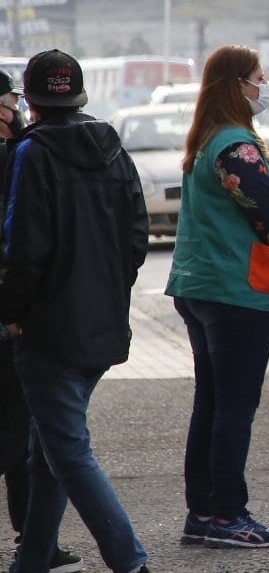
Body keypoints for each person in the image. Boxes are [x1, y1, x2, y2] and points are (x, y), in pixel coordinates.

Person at [0, 50, 149, 573]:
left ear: (32, 104)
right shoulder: (114, 148)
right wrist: (109, 295)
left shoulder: (29, 154)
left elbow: (23, 245)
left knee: (68, 453)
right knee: (49, 448)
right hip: (102, 329)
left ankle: (130, 561)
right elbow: (137, 238)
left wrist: (11, 310)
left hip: (47, 330)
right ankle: (34, 558)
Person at [163, 45, 269, 550]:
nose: (264, 86)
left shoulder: (208, 138)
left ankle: (203, 513)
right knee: (235, 407)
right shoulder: (237, 147)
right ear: (238, 85)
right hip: (235, 291)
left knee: (211, 405)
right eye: (258, 78)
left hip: (198, 286)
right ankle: (228, 515)